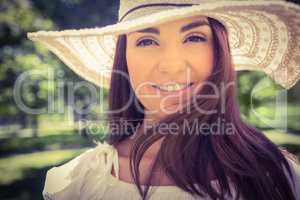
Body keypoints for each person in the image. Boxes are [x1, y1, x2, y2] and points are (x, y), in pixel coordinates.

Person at [28, 0, 300, 199]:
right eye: (146, 41)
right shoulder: (78, 183)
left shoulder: (275, 177)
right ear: (124, 60)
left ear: (220, 51)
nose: (171, 66)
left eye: (194, 37)